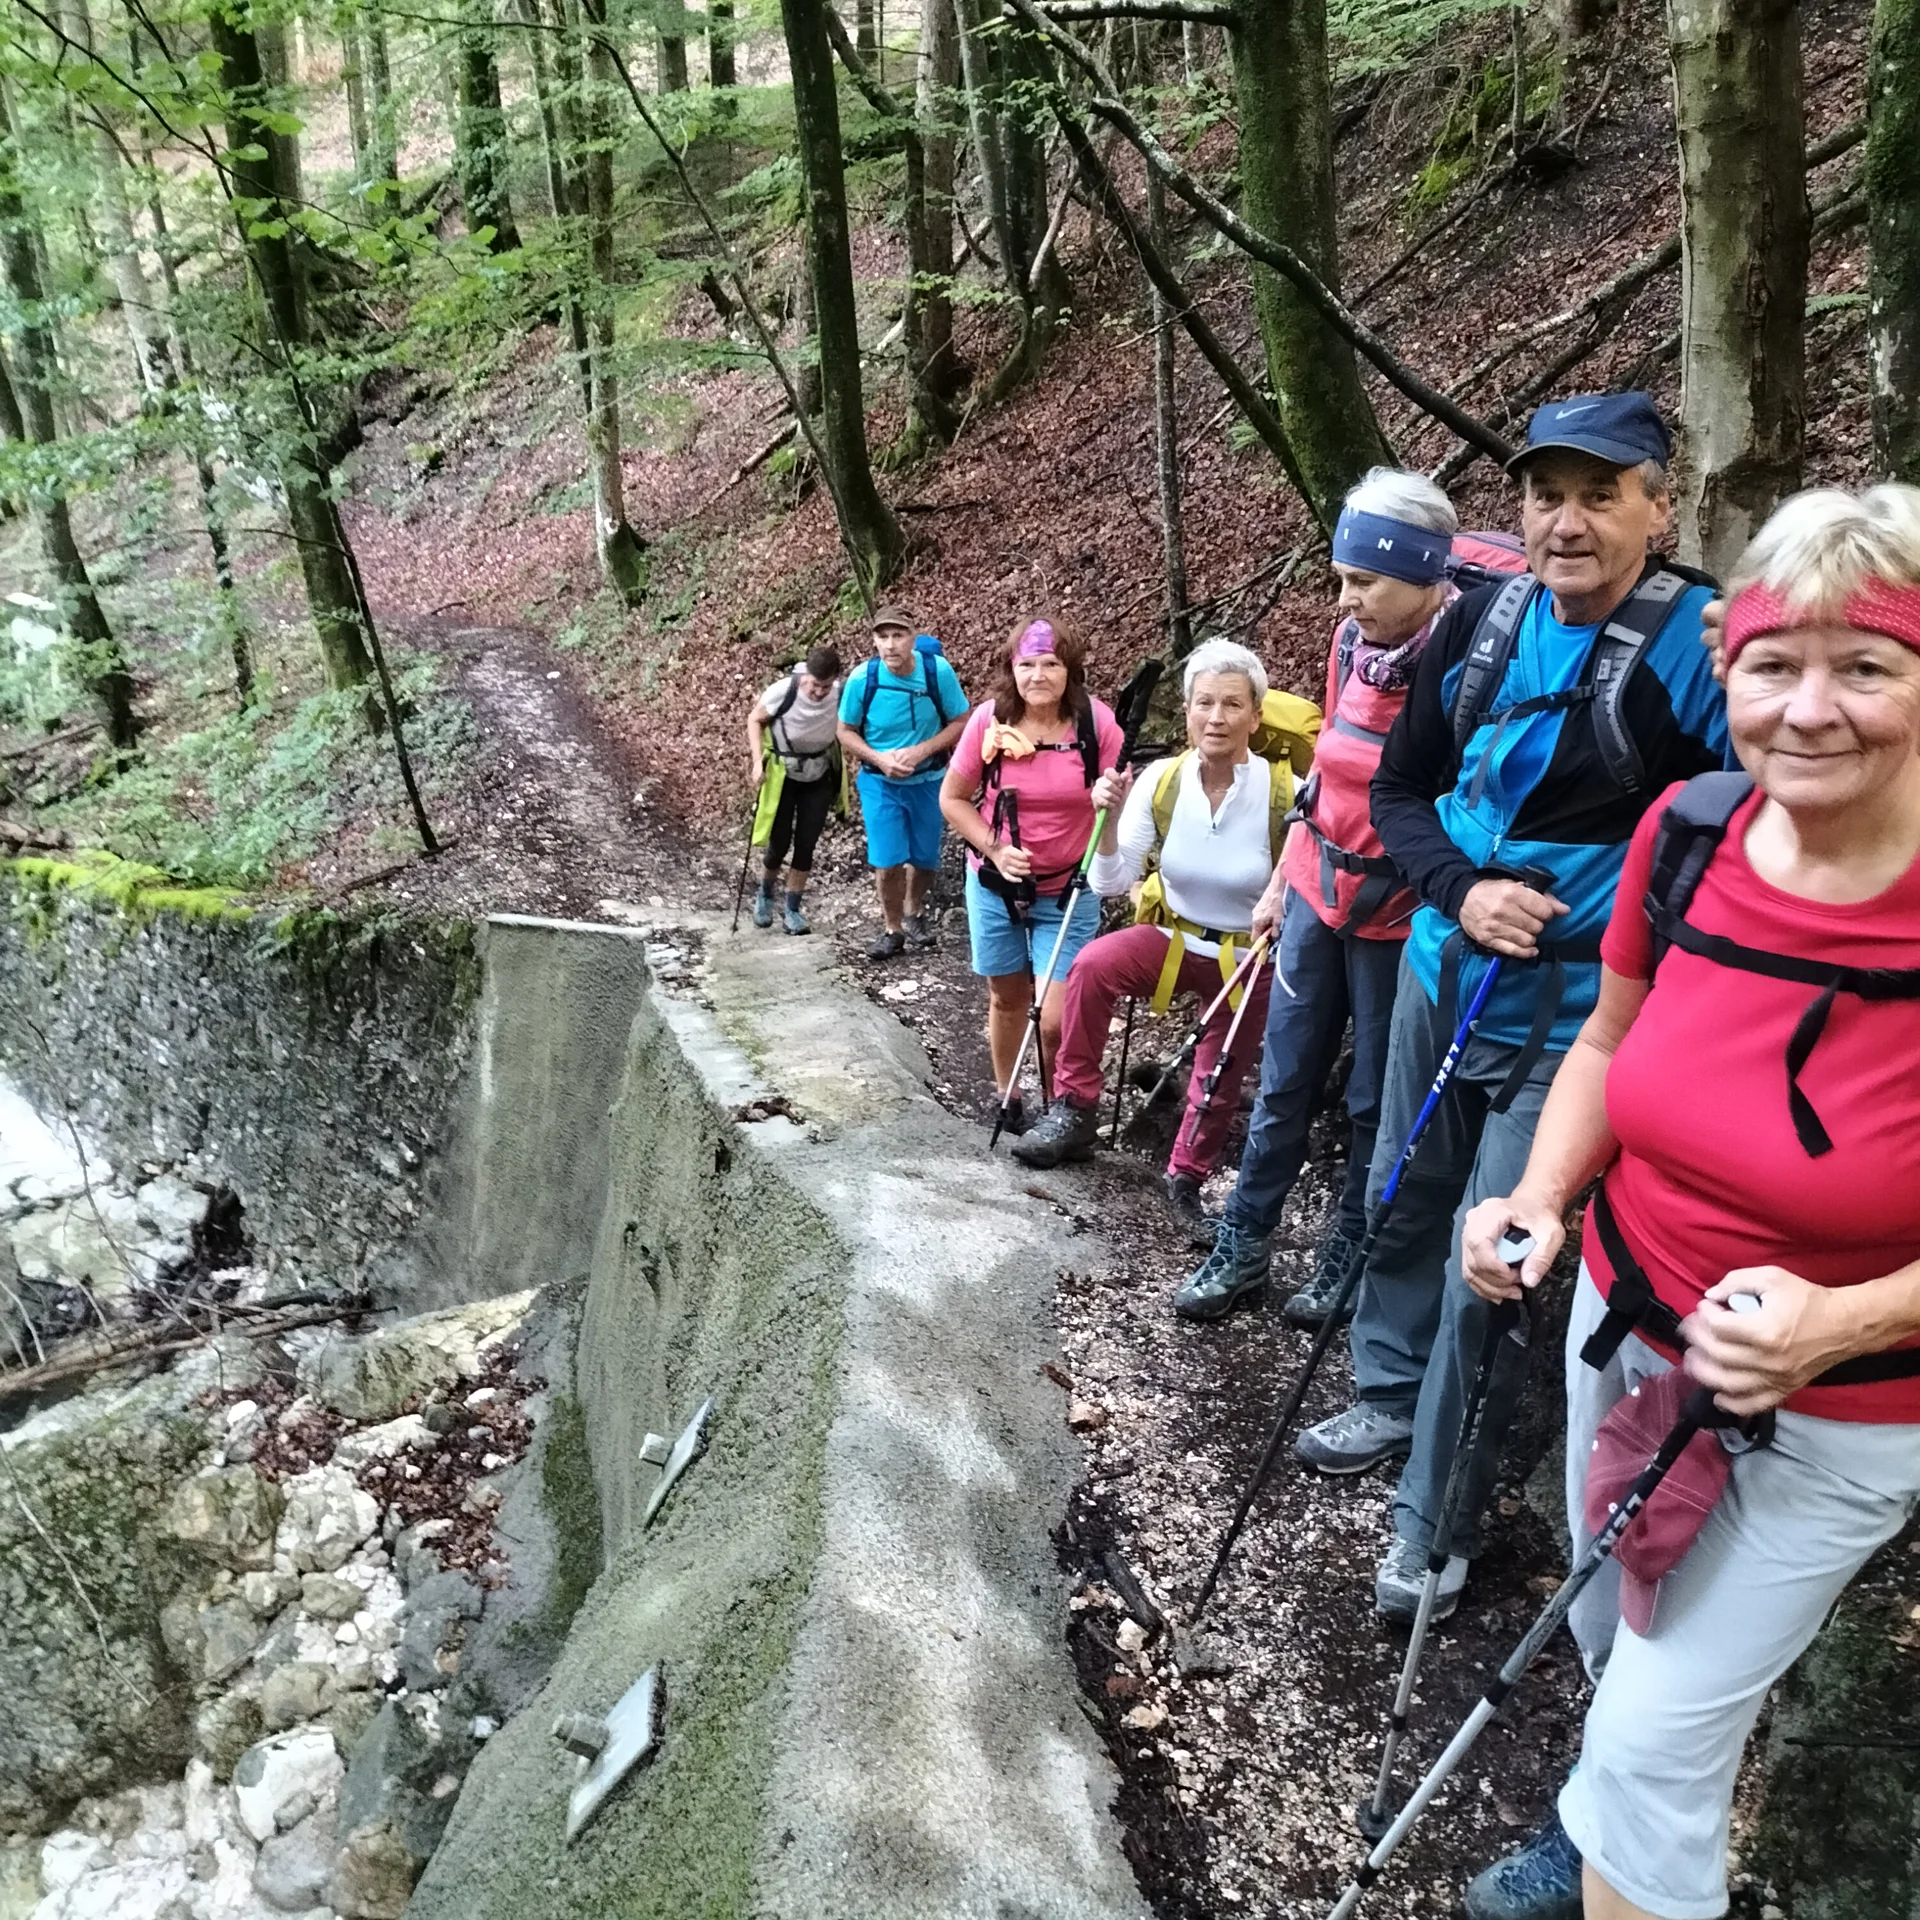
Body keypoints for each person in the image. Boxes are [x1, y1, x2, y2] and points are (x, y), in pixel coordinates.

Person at [1455, 483, 1920, 1920]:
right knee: (1616, 1625)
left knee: (1657, 1738)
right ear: (1727, 668)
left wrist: (1840, 1322)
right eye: (1776, 664)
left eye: (1871, 666)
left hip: (1844, 1413)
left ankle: (1625, 1820)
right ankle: (1612, 1816)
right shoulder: (1693, 831)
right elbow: (1608, 1039)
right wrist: (1536, 1194)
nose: (1812, 707)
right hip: (1626, 1321)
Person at [1294, 393, 1729, 1632]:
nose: (1568, 521)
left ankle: (1433, 1522)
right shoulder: (1483, 619)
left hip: (1574, 1019)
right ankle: (1383, 1389)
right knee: (1402, 1192)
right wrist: (1462, 889)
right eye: (1547, 493)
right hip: (1447, 966)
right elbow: (1406, 784)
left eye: (1601, 493)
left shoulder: (1696, 647)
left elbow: (1743, 828)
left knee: (1496, 1251)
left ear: (1658, 500)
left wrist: (1627, 932)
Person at [1174, 468, 1464, 1323]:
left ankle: (1348, 1253)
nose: (1344, 602)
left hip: (1396, 914)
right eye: (1341, 579)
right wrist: (1278, 882)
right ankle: (1245, 1243)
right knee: (1283, 1081)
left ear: (1420, 574)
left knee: (1374, 1100)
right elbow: (1321, 778)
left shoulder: (1462, 667)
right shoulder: (1352, 652)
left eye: (1363, 582)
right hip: (1312, 889)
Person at [1012, 638, 1317, 1242]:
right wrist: (1103, 822)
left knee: (1221, 1067)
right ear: (1186, 711)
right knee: (1095, 965)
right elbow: (1111, 879)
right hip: (1175, 939)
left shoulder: (1290, 790)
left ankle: (1186, 1177)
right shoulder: (1162, 779)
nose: (1217, 717)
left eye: (1233, 704)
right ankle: (1074, 1109)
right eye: (1204, 702)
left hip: (1247, 954)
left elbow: (1313, 872)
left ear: (1256, 716)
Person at [940, 615, 1123, 1134]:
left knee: (1054, 1017)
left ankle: (1058, 1109)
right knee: (1007, 997)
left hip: (1069, 887)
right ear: (1011, 669)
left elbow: (1120, 808)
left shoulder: (1097, 725)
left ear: (1070, 670)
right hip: (996, 885)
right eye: (1027, 664)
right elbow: (952, 800)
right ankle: (1008, 1096)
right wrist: (995, 849)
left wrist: (1112, 803)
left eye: (1050, 664)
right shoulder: (988, 721)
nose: (1038, 675)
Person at [837, 605, 968, 959]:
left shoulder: (936, 671)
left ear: (913, 638)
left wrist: (921, 750)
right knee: (887, 860)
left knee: (925, 858)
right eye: (883, 637)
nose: (891, 645)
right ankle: (892, 929)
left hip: (929, 780)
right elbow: (844, 732)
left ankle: (914, 910)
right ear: (874, 642)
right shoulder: (863, 679)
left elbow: (960, 720)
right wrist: (881, 759)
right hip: (880, 783)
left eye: (898, 636)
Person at [746, 644, 844, 934]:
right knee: (779, 841)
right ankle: (765, 894)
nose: (819, 692)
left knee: (806, 844)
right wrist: (756, 762)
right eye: (815, 685)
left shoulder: (841, 692)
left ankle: (792, 909)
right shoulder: (783, 691)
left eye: (825, 686)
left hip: (819, 775)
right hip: (783, 775)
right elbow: (755, 719)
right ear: (806, 676)